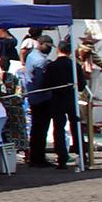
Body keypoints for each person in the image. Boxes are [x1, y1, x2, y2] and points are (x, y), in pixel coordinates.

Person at [25, 34, 78, 168]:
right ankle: (38, 158)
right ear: (40, 44)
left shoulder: (35, 57)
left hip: (37, 96)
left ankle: (37, 157)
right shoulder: (40, 60)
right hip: (41, 97)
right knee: (41, 128)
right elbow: (42, 81)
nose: (49, 49)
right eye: (47, 46)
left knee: (39, 128)